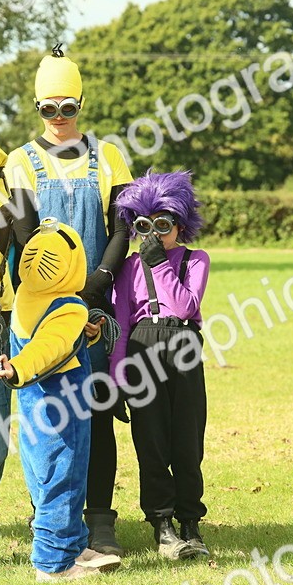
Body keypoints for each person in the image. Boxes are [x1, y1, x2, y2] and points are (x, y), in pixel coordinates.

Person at [3, 45, 134, 557]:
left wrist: (97, 284)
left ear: (81, 103)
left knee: (97, 414)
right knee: (47, 419)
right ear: (38, 109)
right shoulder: (19, 162)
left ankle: (100, 520)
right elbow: (24, 232)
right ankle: (50, 520)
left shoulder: (110, 156)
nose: (59, 120)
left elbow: (121, 230)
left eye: (68, 108)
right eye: (48, 110)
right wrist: (61, 296)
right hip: (41, 312)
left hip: (96, 306)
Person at [0, 219, 122, 581]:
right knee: (62, 483)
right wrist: (19, 368)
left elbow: (58, 340)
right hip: (63, 410)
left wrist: (88, 334)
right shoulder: (69, 307)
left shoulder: (28, 296)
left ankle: (75, 547)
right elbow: (51, 347)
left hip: (33, 409)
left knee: (44, 479)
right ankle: (53, 565)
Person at [109, 170, 211, 560]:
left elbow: (186, 306)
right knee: (150, 441)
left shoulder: (195, 260)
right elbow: (121, 322)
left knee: (187, 440)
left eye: (163, 225)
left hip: (183, 344)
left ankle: (190, 521)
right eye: (145, 226)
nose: (154, 234)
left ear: (180, 225)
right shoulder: (129, 268)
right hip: (141, 345)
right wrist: (117, 377)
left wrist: (159, 265)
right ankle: (162, 523)